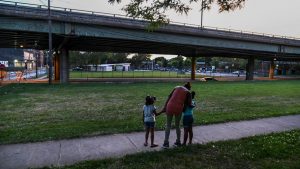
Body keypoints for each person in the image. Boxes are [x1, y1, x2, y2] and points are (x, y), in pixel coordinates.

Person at [159, 82, 192, 148]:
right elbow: (189, 104)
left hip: (170, 106)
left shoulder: (176, 87)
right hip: (178, 108)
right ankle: (178, 142)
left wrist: (165, 107)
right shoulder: (188, 92)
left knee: (168, 125)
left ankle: (166, 143)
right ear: (189, 88)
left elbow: (169, 96)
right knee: (177, 126)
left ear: (184, 85)